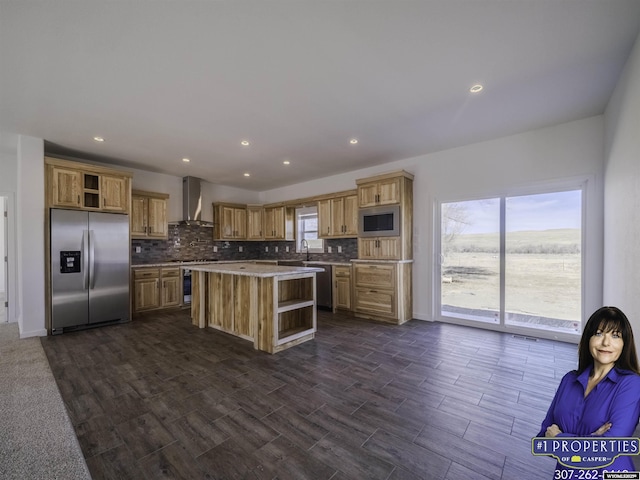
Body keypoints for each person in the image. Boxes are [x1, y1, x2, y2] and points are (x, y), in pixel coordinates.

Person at [538, 306, 640, 476]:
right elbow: (543, 439)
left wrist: (560, 438)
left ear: (625, 343)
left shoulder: (632, 384)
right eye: (599, 333)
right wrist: (592, 439)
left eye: (615, 336)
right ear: (588, 339)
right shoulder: (569, 380)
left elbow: (608, 449)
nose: (606, 342)